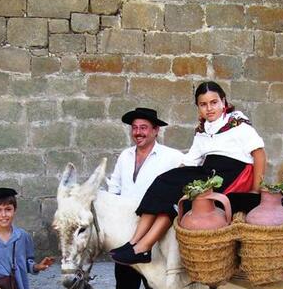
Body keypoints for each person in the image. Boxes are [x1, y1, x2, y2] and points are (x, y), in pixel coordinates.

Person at [111, 81, 267, 265]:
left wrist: (256, 189)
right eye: (203, 104)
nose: (209, 108)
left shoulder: (238, 125)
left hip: (233, 174)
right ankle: (134, 243)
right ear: (198, 107)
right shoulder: (203, 130)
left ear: (223, 102)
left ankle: (143, 247)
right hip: (209, 171)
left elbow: (259, 154)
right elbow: (190, 161)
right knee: (165, 182)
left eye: (214, 102)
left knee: (179, 195)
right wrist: (168, 184)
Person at [105, 107, 185, 289]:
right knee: (124, 286)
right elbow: (115, 186)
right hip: (126, 232)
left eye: (143, 128)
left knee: (153, 286)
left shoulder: (171, 157)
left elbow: (186, 183)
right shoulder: (125, 156)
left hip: (155, 231)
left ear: (155, 130)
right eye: (135, 128)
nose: (138, 133)